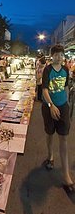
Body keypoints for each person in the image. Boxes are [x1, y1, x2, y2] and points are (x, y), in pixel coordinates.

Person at [41, 44, 73, 194]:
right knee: (49, 133)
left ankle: (66, 174)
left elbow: (65, 87)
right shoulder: (47, 70)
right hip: (49, 107)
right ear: (51, 55)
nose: (59, 57)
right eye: (56, 54)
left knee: (64, 137)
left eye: (61, 54)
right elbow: (45, 89)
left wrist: (64, 103)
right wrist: (51, 105)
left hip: (63, 106)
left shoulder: (66, 70)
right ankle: (50, 156)